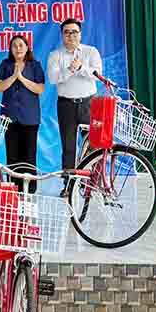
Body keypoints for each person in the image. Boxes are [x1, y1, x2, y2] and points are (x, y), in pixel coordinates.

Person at [46, 19, 104, 193]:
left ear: (80, 34)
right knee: (69, 146)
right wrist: (70, 70)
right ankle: (68, 185)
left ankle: (92, 183)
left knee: (93, 145)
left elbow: (97, 75)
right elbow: (52, 78)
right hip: (66, 105)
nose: (71, 36)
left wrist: (80, 68)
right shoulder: (55, 55)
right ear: (62, 35)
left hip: (89, 103)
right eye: (67, 32)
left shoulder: (90, 52)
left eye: (74, 32)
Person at [0, 35, 46, 172]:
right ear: (11, 49)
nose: (18, 48)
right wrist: (13, 77)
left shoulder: (35, 65)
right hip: (9, 117)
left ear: (27, 47)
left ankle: (29, 190)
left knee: (29, 156)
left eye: (21, 45)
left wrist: (22, 78)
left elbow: (40, 88)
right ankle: (14, 189)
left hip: (30, 118)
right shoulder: (5, 64)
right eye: (14, 46)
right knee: (12, 157)